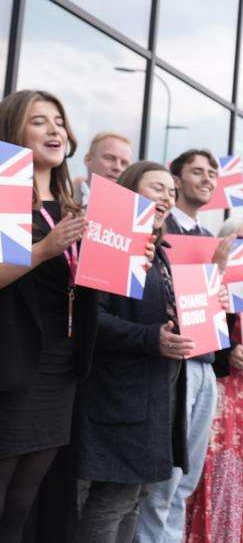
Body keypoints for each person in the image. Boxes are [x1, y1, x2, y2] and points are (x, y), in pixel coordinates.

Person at [74, 162, 197, 542]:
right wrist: (150, 339)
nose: (167, 196)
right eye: (156, 187)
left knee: (136, 497)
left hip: (157, 392)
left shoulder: (159, 251)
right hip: (119, 393)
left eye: (170, 192)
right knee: (113, 499)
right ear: (128, 191)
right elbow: (93, 318)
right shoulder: (110, 241)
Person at [0, 91, 99, 540]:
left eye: (59, 120)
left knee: (25, 499)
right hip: (13, 363)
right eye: (39, 122)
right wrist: (44, 250)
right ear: (14, 131)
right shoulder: (4, 190)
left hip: (61, 364)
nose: (55, 130)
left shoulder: (72, 202)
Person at [133, 150, 225, 542]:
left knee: (185, 480)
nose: (206, 179)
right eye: (196, 172)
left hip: (203, 359)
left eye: (212, 173)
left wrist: (220, 298)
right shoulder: (154, 225)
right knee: (163, 483)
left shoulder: (209, 238)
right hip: (169, 364)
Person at [184, 217, 243, 543]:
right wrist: (231, 353)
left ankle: (230, 531)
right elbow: (203, 329)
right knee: (209, 456)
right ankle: (202, 532)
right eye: (239, 240)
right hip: (214, 378)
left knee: (235, 456)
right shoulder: (205, 273)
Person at [73, 131, 133, 203]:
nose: (117, 167)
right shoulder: (61, 197)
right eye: (109, 158)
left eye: (124, 163)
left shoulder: (132, 209)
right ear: (88, 160)